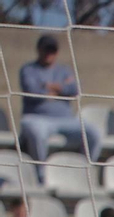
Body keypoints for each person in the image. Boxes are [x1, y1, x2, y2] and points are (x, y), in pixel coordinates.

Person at [18, 34, 102, 166]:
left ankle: (83, 171)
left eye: (52, 50)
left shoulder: (64, 70)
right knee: (36, 133)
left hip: (66, 120)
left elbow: (75, 90)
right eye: (46, 49)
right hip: (37, 118)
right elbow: (33, 92)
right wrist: (62, 88)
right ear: (39, 49)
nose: (49, 53)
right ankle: (41, 176)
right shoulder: (28, 69)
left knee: (94, 133)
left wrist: (47, 86)